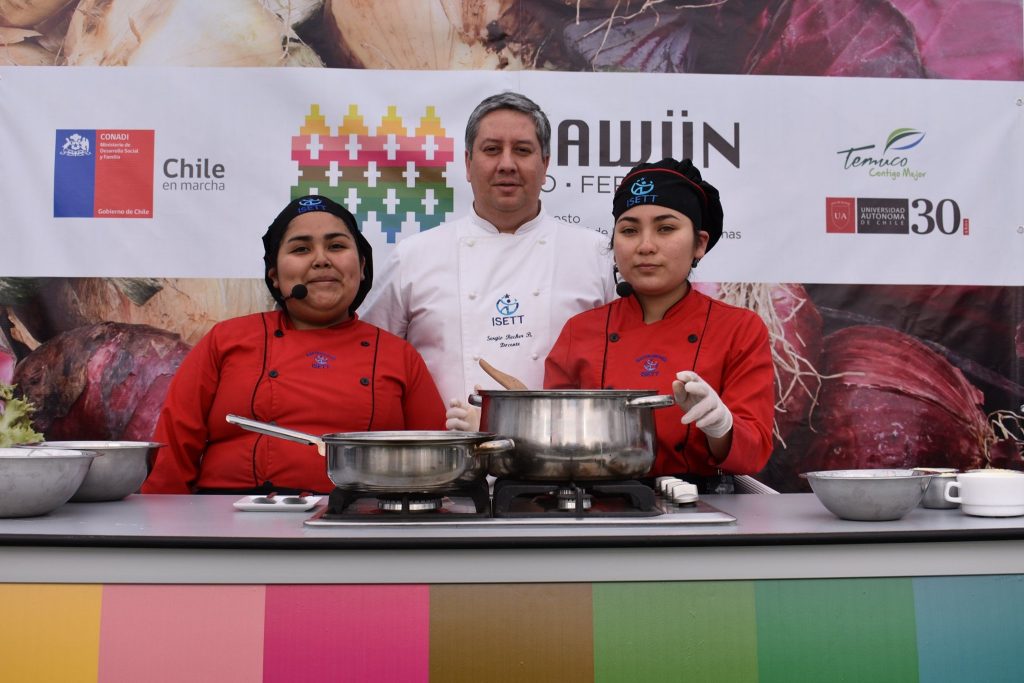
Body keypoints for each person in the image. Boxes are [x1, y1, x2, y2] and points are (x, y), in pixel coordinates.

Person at [143, 195, 446, 494]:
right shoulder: (226, 340)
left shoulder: (398, 356)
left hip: (358, 516)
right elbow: (173, 451)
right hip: (229, 514)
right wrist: (162, 520)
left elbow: (435, 464)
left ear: (363, 265)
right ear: (274, 275)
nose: (321, 260)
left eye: (336, 246)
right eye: (301, 249)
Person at [360, 91, 616, 416]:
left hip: (564, 447)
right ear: (468, 164)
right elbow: (370, 360)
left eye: (522, 150)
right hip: (445, 446)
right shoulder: (413, 257)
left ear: (545, 164)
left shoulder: (596, 254)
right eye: (492, 149)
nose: (507, 164)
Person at [543, 158, 774, 491]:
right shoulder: (580, 331)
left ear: (699, 243)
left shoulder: (739, 329)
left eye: (665, 228)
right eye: (629, 230)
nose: (645, 246)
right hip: (599, 505)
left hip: (704, 507)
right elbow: (554, 438)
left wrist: (721, 427)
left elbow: (753, 452)